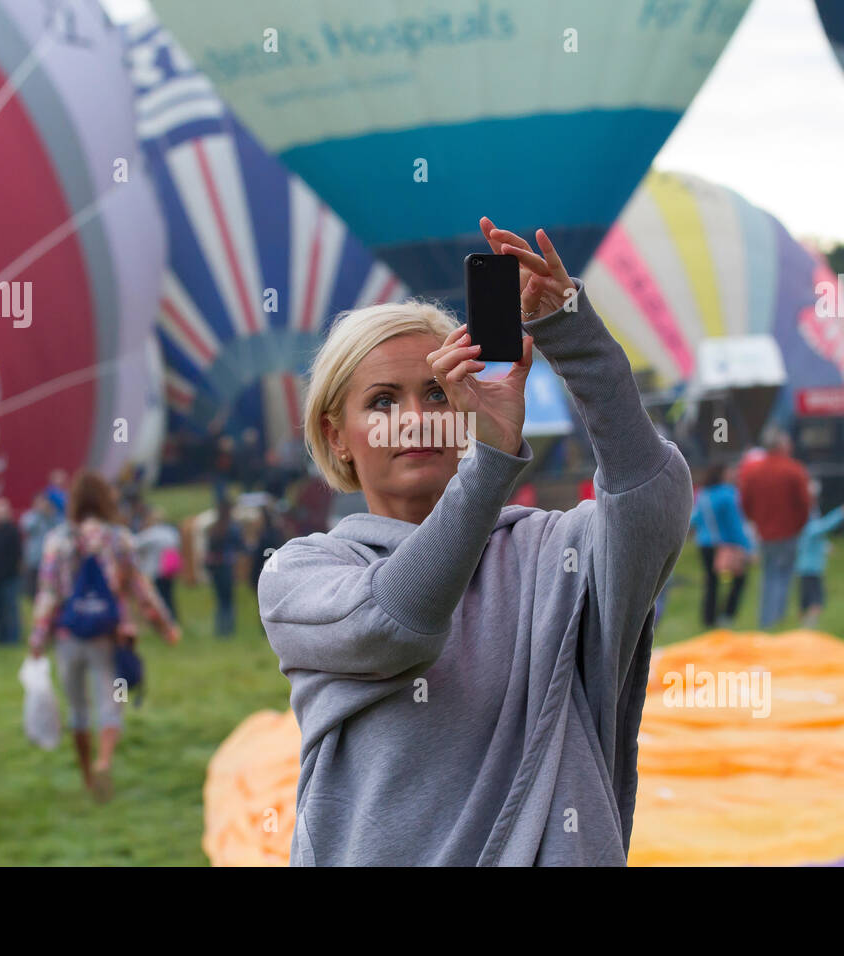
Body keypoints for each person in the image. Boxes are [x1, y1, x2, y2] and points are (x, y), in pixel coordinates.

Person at [258, 219, 692, 866]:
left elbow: (652, 502)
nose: (417, 419)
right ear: (337, 435)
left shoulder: (553, 551)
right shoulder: (304, 573)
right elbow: (396, 623)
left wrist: (574, 338)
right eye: (381, 401)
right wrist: (490, 464)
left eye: (439, 390)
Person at [28, 470, 179, 801]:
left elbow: (49, 593)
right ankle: (104, 760)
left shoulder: (58, 540)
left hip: (70, 635)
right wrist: (164, 625)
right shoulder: (118, 538)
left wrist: (38, 638)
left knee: (78, 708)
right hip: (110, 635)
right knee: (111, 704)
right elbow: (140, 588)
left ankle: (85, 776)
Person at [739, 427, 812, 630]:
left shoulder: (753, 472)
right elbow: (805, 504)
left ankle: (766, 621)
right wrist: (798, 525)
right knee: (783, 576)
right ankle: (776, 620)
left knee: (768, 575)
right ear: (782, 445)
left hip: (764, 533)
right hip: (788, 532)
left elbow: (745, 502)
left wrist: (757, 521)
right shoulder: (794, 470)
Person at [690, 463, 753, 629]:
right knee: (739, 579)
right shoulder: (728, 494)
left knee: (711, 582)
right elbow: (735, 525)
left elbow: (694, 518)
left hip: (703, 544)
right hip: (724, 546)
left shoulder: (702, 494)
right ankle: (727, 615)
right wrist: (747, 547)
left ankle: (708, 618)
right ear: (722, 474)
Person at [796, 492, 844, 629]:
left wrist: (826, 547)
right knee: (816, 602)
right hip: (811, 570)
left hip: (804, 570)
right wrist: (842, 512)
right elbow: (822, 527)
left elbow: (812, 537)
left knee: (805, 603)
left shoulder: (803, 520)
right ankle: (808, 630)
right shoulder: (807, 520)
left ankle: (802, 631)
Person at [0, 498, 24, 646]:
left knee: (11, 609)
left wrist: (14, 573)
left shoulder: (12, 531)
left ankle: (13, 639)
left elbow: (18, 555)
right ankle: (1, 638)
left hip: (9, 578)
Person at [204, 497, 244, 638]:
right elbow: (240, 546)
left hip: (216, 567)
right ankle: (228, 630)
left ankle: (220, 630)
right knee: (228, 600)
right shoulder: (232, 528)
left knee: (220, 600)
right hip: (227, 566)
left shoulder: (214, 528)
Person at [134, 508, 181, 623]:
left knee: (158, 599)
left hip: (155, 570)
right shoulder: (170, 532)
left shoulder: (151, 533)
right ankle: (173, 618)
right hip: (169, 569)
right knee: (169, 596)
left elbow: (135, 544)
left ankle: (163, 621)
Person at [19, 494, 61, 599]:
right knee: (31, 592)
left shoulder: (52, 516)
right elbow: (27, 527)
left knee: (48, 590)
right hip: (34, 561)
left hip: (50, 561)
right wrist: (39, 514)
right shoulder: (30, 516)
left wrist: (50, 515)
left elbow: (59, 529)